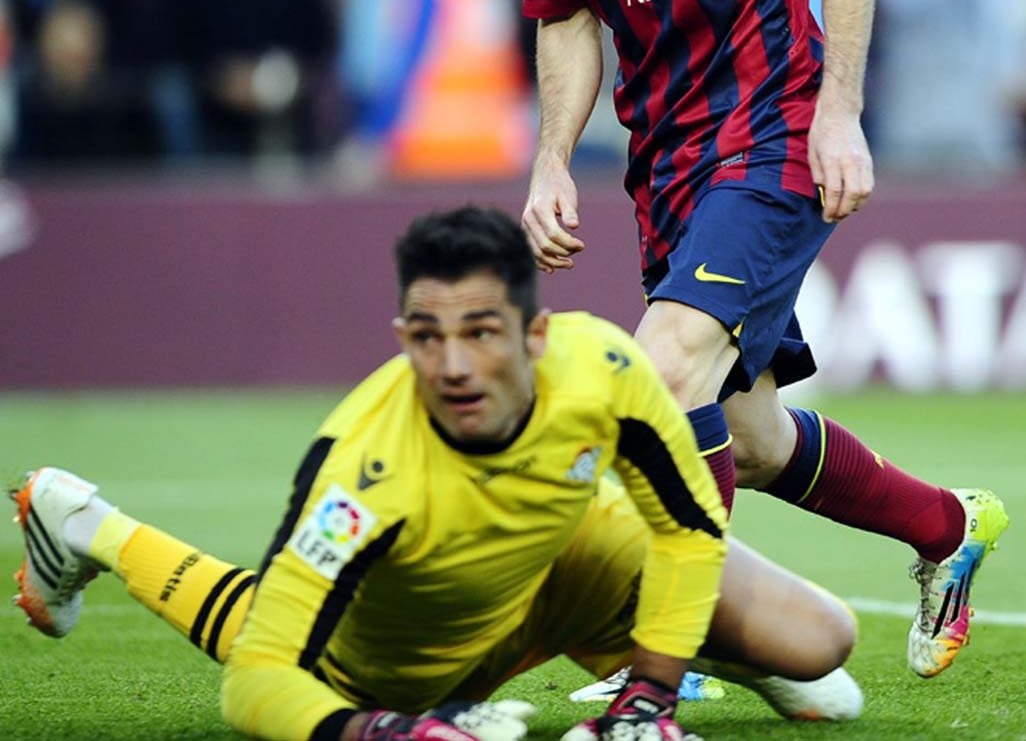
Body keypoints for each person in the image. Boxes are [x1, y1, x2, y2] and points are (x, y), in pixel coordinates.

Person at [508, 0, 1008, 682]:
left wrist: (837, 113)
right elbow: (564, 16)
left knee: (665, 358)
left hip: (773, 131)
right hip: (670, 162)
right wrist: (552, 155)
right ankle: (944, 526)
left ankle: (668, 646)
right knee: (759, 434)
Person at [12, 206, 863, 741]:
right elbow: (260, 676)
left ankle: (647, 658)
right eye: (426, 335)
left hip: (566, 558)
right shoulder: (360, 466)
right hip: (420, 642)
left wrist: (652, 693)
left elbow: (686, 527)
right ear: (402, 334)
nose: (453, 364)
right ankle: (90, 525)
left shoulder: (603, 363)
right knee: (302, 640)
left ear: (537, 334)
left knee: (824, 641)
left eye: (482, 333)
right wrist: (376, 729)